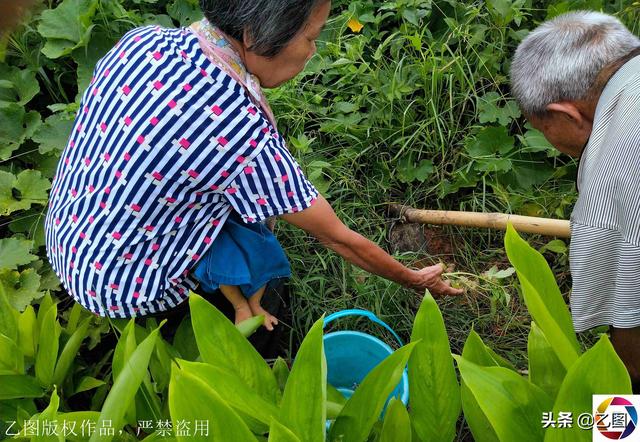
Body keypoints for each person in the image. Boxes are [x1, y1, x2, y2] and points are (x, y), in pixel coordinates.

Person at [44, 0, 461, 332]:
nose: (313, 51)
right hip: (123, 283)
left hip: (71, 234)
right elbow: (338, 238)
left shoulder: (144, 42)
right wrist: (412, 278)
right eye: (311, 37)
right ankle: (250, 328)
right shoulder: (237, 132)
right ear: (255, 33)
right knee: (263, 267)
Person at [510, 11, 640, 390]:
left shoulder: (615, 165)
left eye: (543, 130)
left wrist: (612, 413)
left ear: (563, 113)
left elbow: (631, 349)